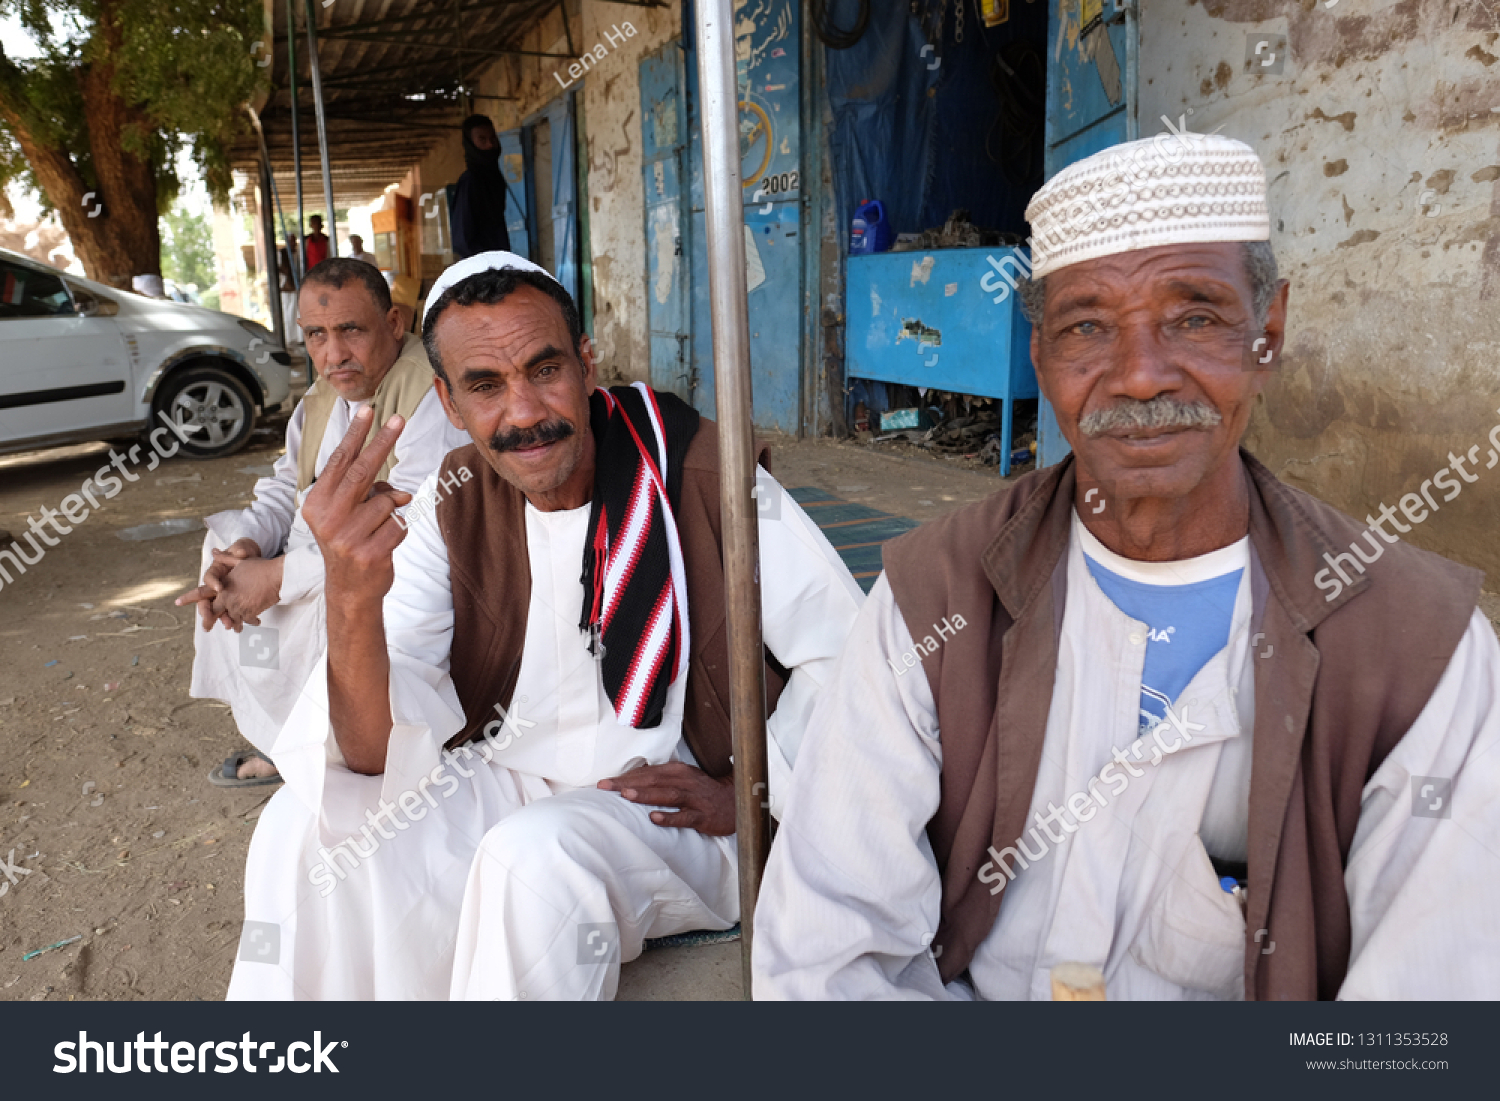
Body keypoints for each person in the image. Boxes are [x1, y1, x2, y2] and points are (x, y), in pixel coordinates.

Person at [753, 134, 1500, 1001]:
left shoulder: (1420, 646)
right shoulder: (932, 599)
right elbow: (824, 951)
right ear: (1040, 359)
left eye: (1195, 316)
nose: (1141, 376)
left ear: (1270, 332)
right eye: (1087, 327)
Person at [226, 251, 863, 1000]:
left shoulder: (706, 475)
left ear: (588, 366)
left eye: (545, 369)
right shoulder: (450, 500)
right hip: (507, 775)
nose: (525, 412)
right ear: (450, 403)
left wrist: (753, 791)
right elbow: (369, 755)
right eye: (487, 386)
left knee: (530, 863)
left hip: (676, 805)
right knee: (293, 832)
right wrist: (350, 596)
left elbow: (851, 660)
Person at [177, 257, 471, 787]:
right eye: (316, 335)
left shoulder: (427, 394)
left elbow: (417, 524)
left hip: (387, 562)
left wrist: (280, 576)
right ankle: (281, 731)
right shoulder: (321, 397)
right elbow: (281, 488)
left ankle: (328, 746)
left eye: (350, 331)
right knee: (223, 549)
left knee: (310, 600)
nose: (333, 354)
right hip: (314, 548)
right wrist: (248, 547)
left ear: (394, 323)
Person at [450, 115, 511, 259]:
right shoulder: (471, 181)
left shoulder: (493, 178)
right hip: (484, 269)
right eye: (482, 140)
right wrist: (489, 268)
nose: (490, 145)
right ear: (471, 144)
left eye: (493, 138)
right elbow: (462, 239)